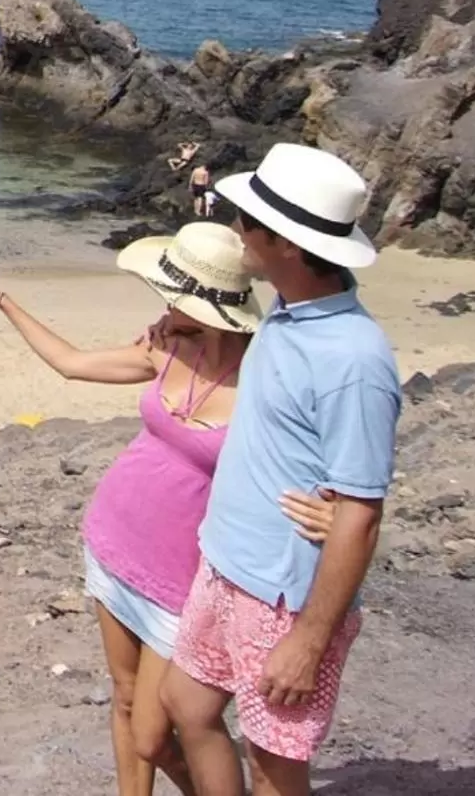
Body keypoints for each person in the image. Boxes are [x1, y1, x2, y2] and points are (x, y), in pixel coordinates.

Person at [0, 224, 331, 796]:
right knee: (125, 697)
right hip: (113, 542)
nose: (162, 304)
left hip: (183, 575)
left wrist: (335, 512)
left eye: (173, 296)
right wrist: (2, 301)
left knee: (156, 733)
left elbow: (321, 461)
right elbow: (71, 363)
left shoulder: (263, 377)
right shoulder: (163, 348)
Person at [160, 145, 399, 796]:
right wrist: (184, 333)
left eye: (250, 221)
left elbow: (363, 509)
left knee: (274, 763)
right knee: (186, 705)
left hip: (284, 600)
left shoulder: (354, 359)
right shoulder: (289, 315)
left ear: (285, 245)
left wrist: (310, 640)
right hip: (229, 566)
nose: (239, 229)